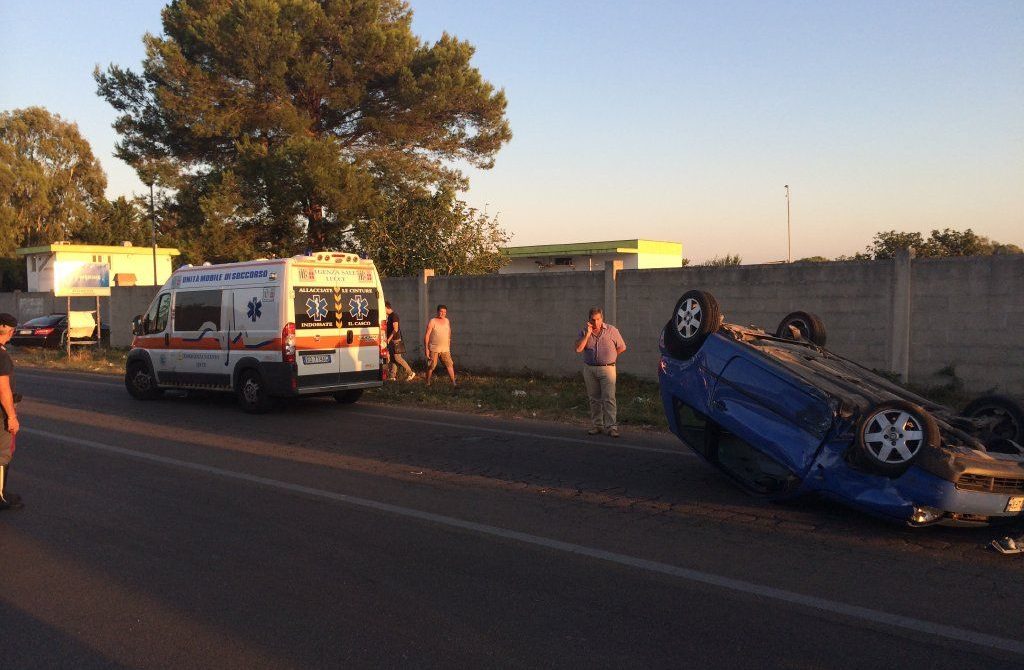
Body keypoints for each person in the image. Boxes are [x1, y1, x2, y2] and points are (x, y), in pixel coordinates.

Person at [575, 307, 627, 437]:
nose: (596, 322)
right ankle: (597, 425)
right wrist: (587, 334)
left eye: (598, 319)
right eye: (593, 320)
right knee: (594, 398)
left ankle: (611, 427)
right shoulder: (584, 332)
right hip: (590, 369)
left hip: (607, 368)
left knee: (609, 398)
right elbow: (578, 349)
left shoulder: (612, 330)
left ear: (602, 319)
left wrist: (611, 358)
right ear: (589, 320)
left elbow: (622, 347)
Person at [0, 312, 23, 511]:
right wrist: (11, 416)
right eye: (11, 331)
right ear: (6, 330)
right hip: (1, 413)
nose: (11, 335)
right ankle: (0, 496)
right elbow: (3, 388)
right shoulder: (1, 355)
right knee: (3, 454)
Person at [424, 304, 456, 387]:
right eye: (441, 311)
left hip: (445, 349)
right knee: (431, 366)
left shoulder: (447, 321)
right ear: (437, 312)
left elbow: (449, 331)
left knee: (449, 365)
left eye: (444, 312)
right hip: (434, 349)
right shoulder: (432, 321)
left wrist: (448, 342)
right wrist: (427, 349)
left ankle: (453, 383)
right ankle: (427, 383)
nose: (443, 313)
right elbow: (427, 335)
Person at [384, 301, 415, 381]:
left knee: (398, 358)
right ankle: (392, 376)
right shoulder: (389, 316)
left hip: (396, 340)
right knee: (394, 359)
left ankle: (410, 373)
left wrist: (388, 339)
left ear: (386, 307)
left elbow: (396, 329)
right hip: (392, 341)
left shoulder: (394, 316)